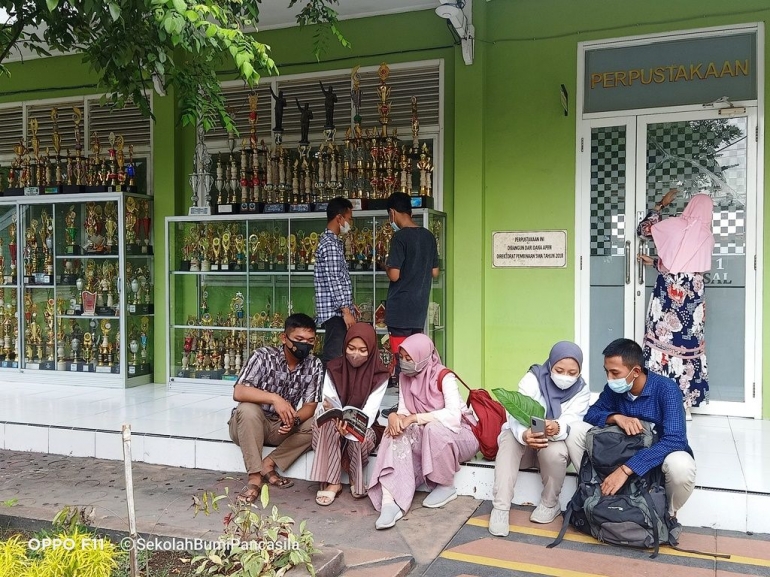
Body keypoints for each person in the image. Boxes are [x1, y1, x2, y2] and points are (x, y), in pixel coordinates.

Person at [570, 338, 696, 519]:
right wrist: (615, 417)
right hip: (619, 455)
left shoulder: (666, 389)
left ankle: (666, 513)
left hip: (654, 460)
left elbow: (675, 439)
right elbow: (591, 415)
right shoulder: (614, 390)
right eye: (607, 372)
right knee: (576, 430)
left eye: (614, 373)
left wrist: (626, 469)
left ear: (635, 371)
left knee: (682, 466)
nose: (609, 379)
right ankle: (597, 492)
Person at [368, 334, 479, 530]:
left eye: (409, 358)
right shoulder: (404, 377)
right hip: (427, 432)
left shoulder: (444, 376)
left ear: (424, 357)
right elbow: (404, 411)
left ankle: (445, 485)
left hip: (461, 434)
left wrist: (414, 418)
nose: (405, 363)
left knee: (433, 428)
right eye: (402, 357)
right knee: (393, 431)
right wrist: (395, 418)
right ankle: (389, 502)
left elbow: (453, 416)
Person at [489, 341, 590, 536]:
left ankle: (550, 503)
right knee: (509, 436)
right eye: (559, 370)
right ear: (551, 365)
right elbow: (514, 414)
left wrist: (556, 426)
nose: (565, 377)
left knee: (557, 450)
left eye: (572, 373)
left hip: (550, 446)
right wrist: (525, 435)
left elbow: (573, 420)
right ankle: (500, 508)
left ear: (579, 371)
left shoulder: (581, 391)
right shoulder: (533, 379)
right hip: (525, 451)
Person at [228, 313, 322, 502]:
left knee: (320, 423)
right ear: (284, 338)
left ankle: (269, 463)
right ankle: (254, 477)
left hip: (281, 427)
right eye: (299, 339)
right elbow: (238, 392)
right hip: (250, 425)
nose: (305, 345)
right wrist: (274, 399)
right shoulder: (262, 357)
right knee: (247, 409)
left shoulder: (314, 364)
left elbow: (310, 405)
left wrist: (294, 420)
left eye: (310, 341)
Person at [637, 190, 714, 417]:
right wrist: (656, 263)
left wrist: (661, 205)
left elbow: (643, 231)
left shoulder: (676, 226)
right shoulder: (707, 237)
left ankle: (659, 402)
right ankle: (685, 405)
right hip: (693, 304)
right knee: (687, 351)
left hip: (668, 299)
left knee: (662, 346)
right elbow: (688, 270)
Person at [310, 323, 390, 505]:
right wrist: (335, 417)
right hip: (335, 425)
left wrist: (349, 427)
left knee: (360, 435)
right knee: (326, 422)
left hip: (363, 428)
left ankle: (355, 477)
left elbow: (369, 415)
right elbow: (328, 402)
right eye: (351, 348)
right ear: (344, 346)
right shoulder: (333, 368)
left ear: (371, 350)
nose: (356, 354)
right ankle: (333, 482)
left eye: (363, 350)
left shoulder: (380, 375)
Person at [383, 192, 439, 367]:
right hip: (418, 309)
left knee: (402, 360)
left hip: (399, 311)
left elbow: (394, 275)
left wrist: (385, 265)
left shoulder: (400, 237)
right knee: (415, 358)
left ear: (392, 212)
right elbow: (435, 272)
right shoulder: (429, 236)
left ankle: (403, 393)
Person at [314, 197, 356, 368]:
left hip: (338, 309)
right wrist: (346, 310)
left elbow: (340, 278)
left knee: (337, 354)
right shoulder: (330, 245)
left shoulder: (333, 243)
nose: (350, 222)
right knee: (334, 356)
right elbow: (334, 279)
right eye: (349, 218)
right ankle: (325, 393)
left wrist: (350, 304)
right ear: (339, 218)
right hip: (335, 313)